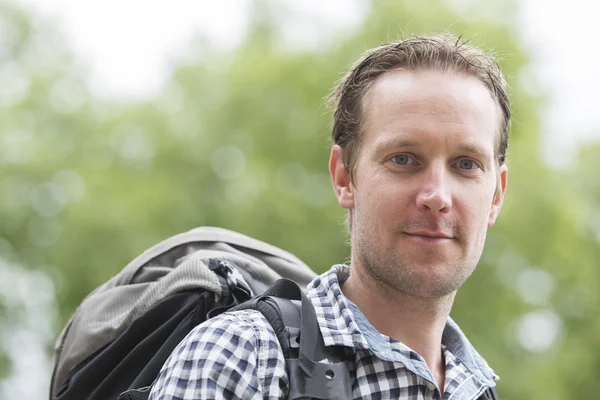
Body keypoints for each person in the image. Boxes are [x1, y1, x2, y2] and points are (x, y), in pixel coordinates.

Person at [149, 34, 509, 399]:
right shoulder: (241, 359)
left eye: (466, 164)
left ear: (496, 195)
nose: (436, 195)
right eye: (403, 158)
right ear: (344, 178)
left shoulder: (477, 389)